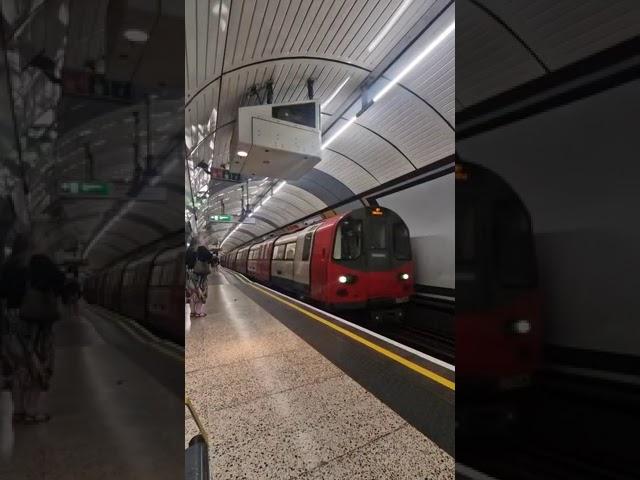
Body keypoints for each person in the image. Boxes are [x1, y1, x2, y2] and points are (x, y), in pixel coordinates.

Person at [0, 236, 64, 424]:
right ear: (31, 247)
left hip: (11, 322)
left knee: (18, 367)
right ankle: (34, 411)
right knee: (38, 364)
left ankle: (18, 410)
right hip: (35, 323)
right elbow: (60, 282)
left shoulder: (7, 267)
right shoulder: (39, 263)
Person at [191, 246, 214, 317]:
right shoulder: (206, 258)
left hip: (193, 280)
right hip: (202, 281)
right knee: (201, 296)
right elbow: (209, 270)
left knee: (193, 296)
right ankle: (199, 312)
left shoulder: (194, 258)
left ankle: (192, 312)